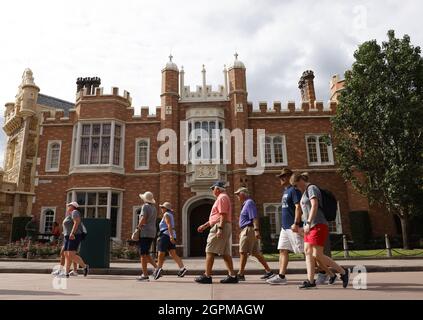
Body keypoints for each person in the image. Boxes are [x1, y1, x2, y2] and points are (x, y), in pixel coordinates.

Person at [290, 172, 349, 289]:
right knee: (308, 253)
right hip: (310, 227)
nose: (296, 188)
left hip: (318, 225)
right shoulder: (304, 193)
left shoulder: (311, 188)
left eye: (296, 185)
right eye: (294, 187)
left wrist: (308, 222)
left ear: (301, 180)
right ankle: (310, 281)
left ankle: (343, 272)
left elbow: (315, 205)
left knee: (318, 254)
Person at [195, 181, 238, 284]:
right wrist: (205, 226)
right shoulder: (222, 197)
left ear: (217, 189)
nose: (212, 190)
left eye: (212, 188)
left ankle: (207, 275)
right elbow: (218, 216)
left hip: (220, 226)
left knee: (209, 250)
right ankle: (232, 276)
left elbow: (223, 215)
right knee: (225, 253)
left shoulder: (222, 197)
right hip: (221, 225)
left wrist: (220, 229)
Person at [267, 168, 304, 285]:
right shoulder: (286, 191)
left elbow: (299, 207)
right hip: (285, 227)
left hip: (293, 227)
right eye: (280, 177)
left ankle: (324, 272)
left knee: (306, 252)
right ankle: (281, 276)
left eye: (284, 176)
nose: (281, 179)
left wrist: (297, 223)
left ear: (290, 177)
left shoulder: (294, 190)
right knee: (283, 250)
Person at [234, 187, 273, 281]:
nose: (237, 196)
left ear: (243, 194)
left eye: (238, 194)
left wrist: (256, 230)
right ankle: (269, 271)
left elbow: (254, 217)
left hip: (249, 229)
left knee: (243, 252)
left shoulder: (249, 203)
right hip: (247, 229)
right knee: (256, 253)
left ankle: (241, 274)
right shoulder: (246, 204)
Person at [154, 202, 187, 280]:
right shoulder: (170, 215)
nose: (161, 209)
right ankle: (182, 268)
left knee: (160, 253)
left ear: (166, 209)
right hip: (171, 235)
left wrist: (170, 236)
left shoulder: (166, 215)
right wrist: (172, 236)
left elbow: (169, 225)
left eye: (162, 207)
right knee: (173, 254)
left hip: (165, 235)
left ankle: (158, 269)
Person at [59, 202, 89, 278]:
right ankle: (66, 273)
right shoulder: (69, 214)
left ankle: (85, 266)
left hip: (74, 235)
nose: (68, 206)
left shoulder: (75, 212)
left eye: (69, 205)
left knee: (71, 254)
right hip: (67, 236)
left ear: (73, 206)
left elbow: (77, 222)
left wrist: (72, 233)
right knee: (66, 254)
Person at [136, 191, 158, 281]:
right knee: (146, 253)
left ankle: (145, 275)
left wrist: (138, 228)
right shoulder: (154, 208)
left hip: (145, 232)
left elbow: (143, 219)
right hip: (152, 232)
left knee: (143, 254)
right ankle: (157, 268)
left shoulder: (145, 206)